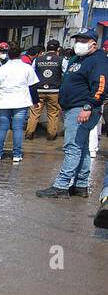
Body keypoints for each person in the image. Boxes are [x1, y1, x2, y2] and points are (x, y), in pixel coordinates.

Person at [36, 28, 107, 199]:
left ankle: (61, 185)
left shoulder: (98, 61)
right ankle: (81, 184)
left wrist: (88, 107)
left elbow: (100, 86)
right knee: (81, 147)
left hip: (82, 108)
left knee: (72, 147)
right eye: (78, 40)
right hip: (71, 107)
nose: (79, 44)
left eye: (83, 41)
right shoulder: (78, 59)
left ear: (93, 44)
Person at [0, 52, 38, 163]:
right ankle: (17, 154)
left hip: (3, 102)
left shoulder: (2, 69)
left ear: (9, 55)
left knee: (2, 128)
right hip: (21, 102)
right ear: (20, 55)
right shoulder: (27, 68)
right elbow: (32, 87)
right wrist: (36, 101)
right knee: (18, 129)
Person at [26, 39, 65, 140]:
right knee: (53, 114)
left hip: (38, 90)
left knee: (34, 113)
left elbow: (32, 73)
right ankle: (51, 135)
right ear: (58, 49)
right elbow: (66, 74)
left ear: (47, 48)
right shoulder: (61, 60)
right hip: (54, 91)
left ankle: (29, 134)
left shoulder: (37, 60)